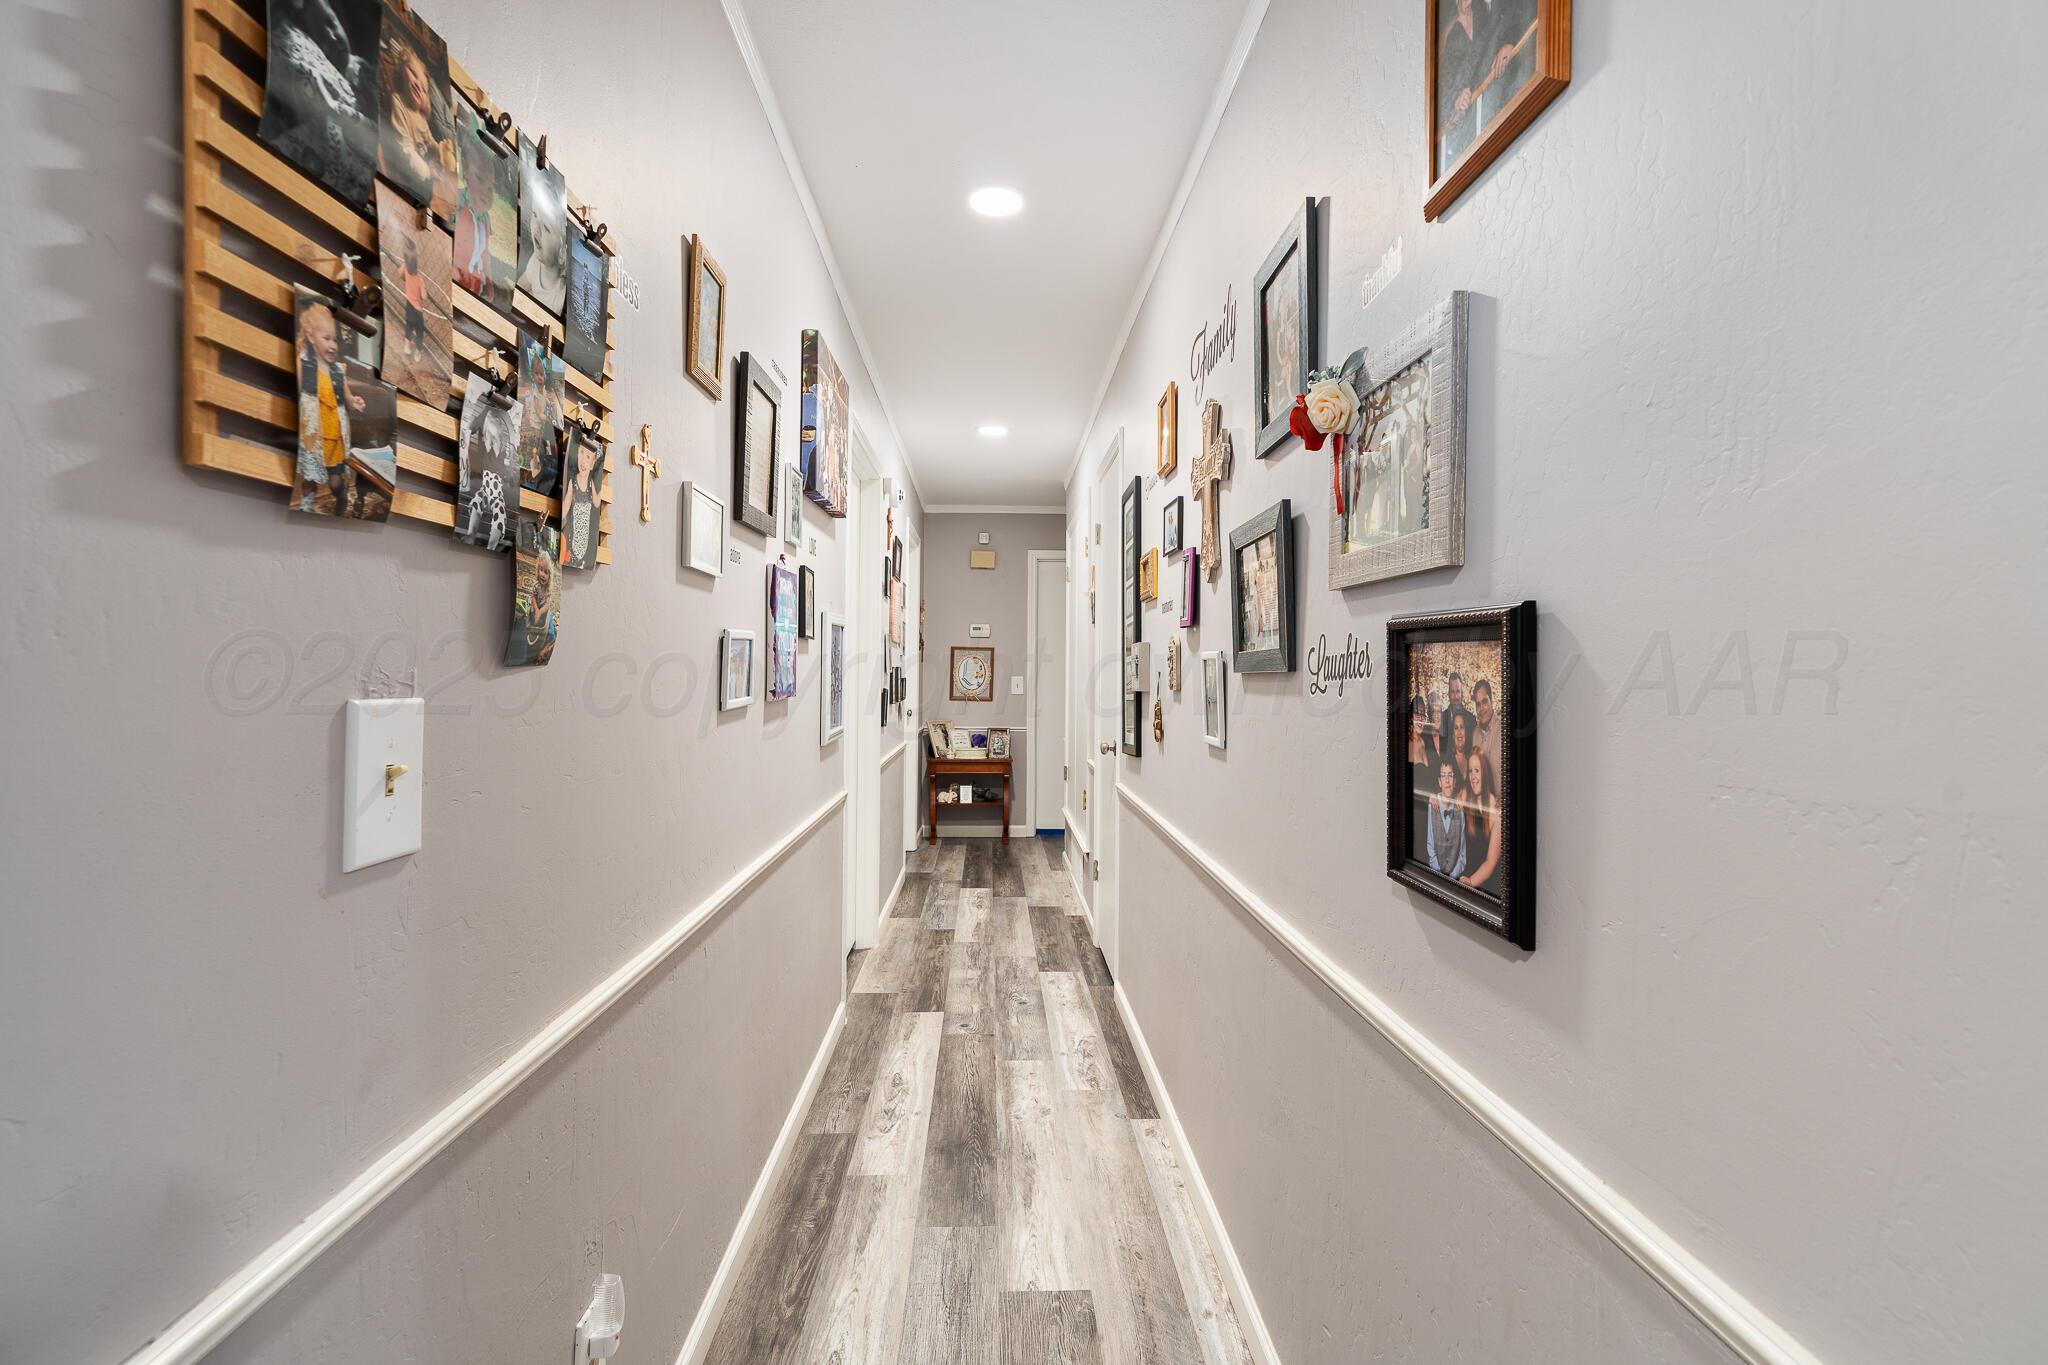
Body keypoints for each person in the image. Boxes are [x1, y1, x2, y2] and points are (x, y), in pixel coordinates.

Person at [296, 302, 366, 514]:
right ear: (311, 337)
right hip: (314, 437)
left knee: (335, 482)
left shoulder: (337, 370)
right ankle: (306, 505)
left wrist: (355, 402)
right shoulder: (304, 363)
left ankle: (341, 498)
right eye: (326, 338)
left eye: (335, 339)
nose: (333, 345)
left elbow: (347, 397)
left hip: (334, 437)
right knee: (310, 478)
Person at [1460, 748, 1503, 895]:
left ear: (1485, 773)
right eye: (1470, 771)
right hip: (1467, 875)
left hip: (1486, 887)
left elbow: (1491, 863)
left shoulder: (1496, 811)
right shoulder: (1466, 796)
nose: (1473, 776)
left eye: (1477, 770)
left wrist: (1470, 882)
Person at [1425, 754, 1466, 878]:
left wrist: (1452, 877)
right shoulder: (1432, 806)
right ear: (1439, 782)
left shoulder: (1460, 810)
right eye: (1443, 776)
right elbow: (1430, 846)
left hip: (1454, 878)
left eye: (1450, 775)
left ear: (1455, 781)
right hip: (1436, 875)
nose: (1447, 780)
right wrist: (1439, 873)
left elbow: (1462, 854)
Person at [1471, 675, 1502, 793]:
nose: (1481, 708)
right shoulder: (1474, 735)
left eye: (1484, 702)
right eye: (1478, 704)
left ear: (1492, 701)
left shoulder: (1502, 731)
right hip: (1482, 807)